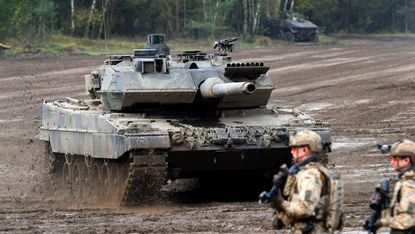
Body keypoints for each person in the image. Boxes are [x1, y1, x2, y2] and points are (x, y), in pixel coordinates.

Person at [271, 130, 335, 234]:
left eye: (294, 149)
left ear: (305, 150)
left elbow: (305, 210)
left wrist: (281, 202)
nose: (291, 152)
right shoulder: (305, 172)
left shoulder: (310, 176)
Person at [376, 139, 415, 233]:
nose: (392, 162)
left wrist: (383, 222)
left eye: (394, 159)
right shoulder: (405, 180)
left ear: (406, 160)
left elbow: (407, 220)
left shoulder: (409, 185)